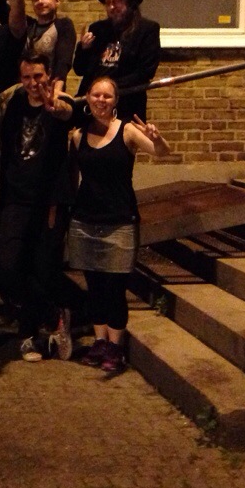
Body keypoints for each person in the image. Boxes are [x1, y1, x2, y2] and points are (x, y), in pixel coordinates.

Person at [68, 76, 171, 372]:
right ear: (88, 98)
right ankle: (100, 341)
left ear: (115, 100)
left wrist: (156, 137)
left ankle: (116, 346)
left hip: (119, 221)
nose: (101, 100)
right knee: (94, 287)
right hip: (85, 220)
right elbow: (72, 177)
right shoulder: (78, 135)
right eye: (96, 95)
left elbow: (161, 152)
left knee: (115, 288)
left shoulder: (127, 131)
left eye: (107, 96)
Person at [0, 54, 80, 362]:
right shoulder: (12, 103)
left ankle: (28, 335)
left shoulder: (59, 100)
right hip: (15, 199)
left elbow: (69, 113)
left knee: (41, 268)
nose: (32, 83)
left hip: (48, 202)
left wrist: (55, 106)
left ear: (49, 75)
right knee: (9, 267)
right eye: (27, 77)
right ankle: (55, 317)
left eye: (38, 76)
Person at [72, 0, 160, 122]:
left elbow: (146, 71)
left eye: (117, 1)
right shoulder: (98, 29)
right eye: (108, 3)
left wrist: (109, 89)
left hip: (126, 104)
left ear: (130, 3)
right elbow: (79, 69)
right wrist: (84, 49)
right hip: (93, 108)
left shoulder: (147, 29)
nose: (112, 7)